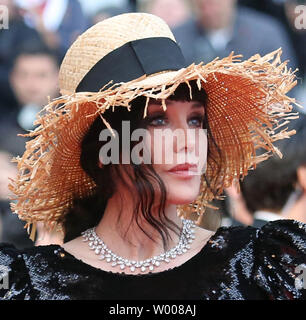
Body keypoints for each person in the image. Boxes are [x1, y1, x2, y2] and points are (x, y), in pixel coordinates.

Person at [0, 13, 305, 300]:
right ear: (105, 148)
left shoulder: (260, 265)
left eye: (196, 120)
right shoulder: (33, 283)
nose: (188, 141)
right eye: (158, 120)